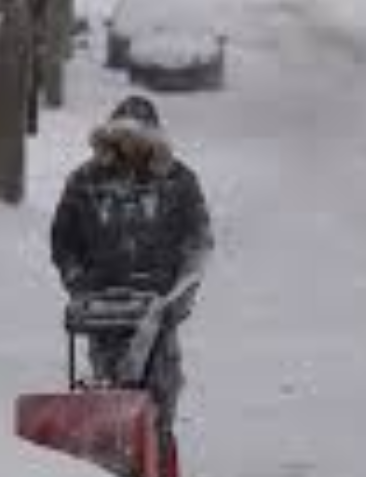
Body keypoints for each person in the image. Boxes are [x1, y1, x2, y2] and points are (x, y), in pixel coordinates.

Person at [50, 95, 213, 471]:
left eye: (138, 140)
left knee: (160, 401)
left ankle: (158, 461)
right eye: (121, 140)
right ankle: (113, 464)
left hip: (158, 309)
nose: (129, 149)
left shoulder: (178, 181)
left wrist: (179, 295)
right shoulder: (85, 182)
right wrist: (80, 286)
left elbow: (198, 241)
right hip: (102, 310)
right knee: (108, 398)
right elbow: (64, 241)